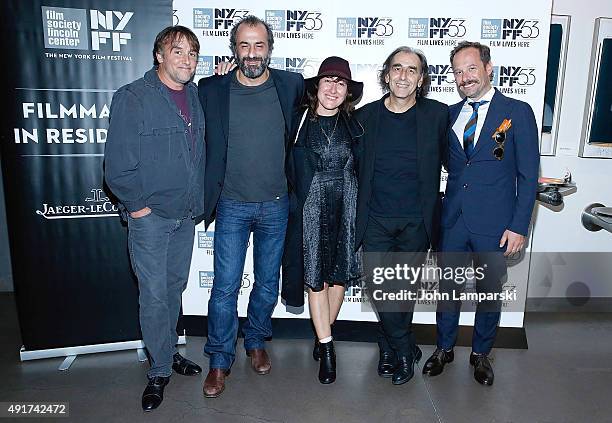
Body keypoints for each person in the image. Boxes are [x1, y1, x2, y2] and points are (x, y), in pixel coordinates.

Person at [197, 15, 304, 398]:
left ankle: (256, 340)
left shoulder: (292, 85)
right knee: (225, 288)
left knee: (265, 285)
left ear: (270, 49)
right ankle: (219, 360)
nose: (252, 53)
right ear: (234, 49)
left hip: (276, 204)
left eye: (259, 45)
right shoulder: (211, 89)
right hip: (231, 205)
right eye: (244, 45)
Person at [422, 41, 539, 386]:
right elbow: (450, 164)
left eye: (471, 68)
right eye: (458, 71)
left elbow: (528, 175)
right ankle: (444, 348)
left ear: (489, 68)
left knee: (490, 292)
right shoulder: (448, 115)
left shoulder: (517, 112)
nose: (464, 77)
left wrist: (519, 226)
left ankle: (481, 353)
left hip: (497, 224)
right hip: (454, 219)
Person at [104, 25, 205, 411]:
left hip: (185, 215)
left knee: (174, 288)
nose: (186, 60)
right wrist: (138, 207)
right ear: (159, 56)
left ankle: (168, 351)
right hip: (150, 218)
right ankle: (159, 369)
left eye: (192, 54)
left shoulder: (194, 96)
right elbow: (116, 167)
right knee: (154, 295)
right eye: (177, 52)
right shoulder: (133, 97)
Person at [354, 47, 449, 385]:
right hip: (375, 220)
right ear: (386, 75)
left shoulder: (438, 115)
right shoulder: (365, 118)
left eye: (412, 70)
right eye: (398, 69)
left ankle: (390, 348)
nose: (404, 76)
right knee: (381, 290)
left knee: (403, 293)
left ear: (421, 79)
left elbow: (462, 159)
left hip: (416, 222)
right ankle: (404, 348)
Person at [281, 56, 364, 384]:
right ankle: (328, 348)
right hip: (310, 210)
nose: (333, 88)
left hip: (346, 206)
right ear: (317, 87)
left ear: (347, 92)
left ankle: (321, 334)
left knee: (339, 276)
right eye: (328, 80)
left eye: (341, 83)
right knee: (315, 277)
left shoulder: (356, 124)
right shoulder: (297, 119)